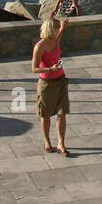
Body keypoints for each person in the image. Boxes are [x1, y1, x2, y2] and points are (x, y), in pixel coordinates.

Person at [32, 16, 70, 156]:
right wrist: (50, 69)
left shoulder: (55, 40)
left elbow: (59, 35)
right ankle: (47, 140)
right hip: (46, 84)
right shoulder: (39, 47)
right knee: (46, 114)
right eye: (55, 29)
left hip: (60, 80)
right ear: (50, 30)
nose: (57, 31)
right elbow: (34, 68)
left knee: (62, 112)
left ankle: (61, 143)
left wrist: (63, 26)